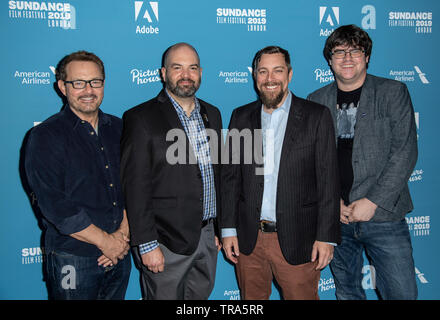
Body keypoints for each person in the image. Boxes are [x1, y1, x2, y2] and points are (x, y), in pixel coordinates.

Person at [307, 24, 418, 300]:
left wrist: (373, 202)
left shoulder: (393, 92)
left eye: (355, 51)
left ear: (366, 56)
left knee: (402, 294)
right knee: (347, 293)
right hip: (337, 220)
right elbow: (311, 162)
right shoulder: (316, 100)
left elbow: (405, 152)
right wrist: (333, 203)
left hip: (384, 217)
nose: (347, 58)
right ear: (329, 59)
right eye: (339, 52)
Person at [220, 46, 340, 300]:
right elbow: (230, 178)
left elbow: (328, 181)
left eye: (277, 70)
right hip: (248, 240)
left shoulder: (316, 116)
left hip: (299, 239)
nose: (270, 78)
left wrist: (326, 237)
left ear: (290, 74)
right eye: (263, 71)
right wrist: (228, 229)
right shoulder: (240, 117)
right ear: (255, 76)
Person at [25, 51, 131, 300]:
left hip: (118, 253)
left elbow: (133, 187)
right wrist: (106, 242)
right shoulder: (45, 136)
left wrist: (121, 237)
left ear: (103, 84)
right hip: (72, 258)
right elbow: (55, 206)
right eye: (78, 83)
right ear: (62, 86)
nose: (88, 90)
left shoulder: (119, 129)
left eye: (95, 82)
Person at [120, 43, 222, 300]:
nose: (186, 75)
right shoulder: (140, 118)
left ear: (201, 73)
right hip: (165, 243)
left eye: (193, 68)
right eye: (178, 68)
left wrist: (219, 230)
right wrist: (147, 244)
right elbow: (135, 187)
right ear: (163, 73)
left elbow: (217, 175)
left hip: (207, 237)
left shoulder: (213, 113)